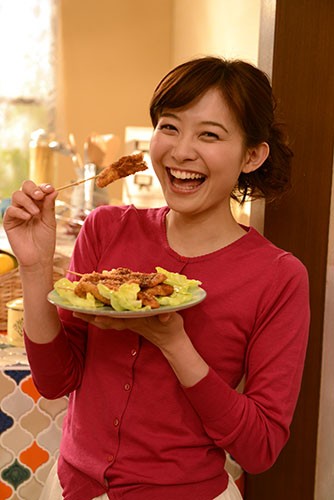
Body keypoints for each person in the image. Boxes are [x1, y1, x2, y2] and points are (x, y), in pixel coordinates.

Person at [3, 56, 310, 500]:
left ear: (252, 155)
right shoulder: (106, 229)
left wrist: (173, 343)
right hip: (73, 488)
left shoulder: (278, 277)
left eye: (209, 134)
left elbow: (260, 448)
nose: (181, 151)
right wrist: (34, 268)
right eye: (169, 126)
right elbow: (55, 381)